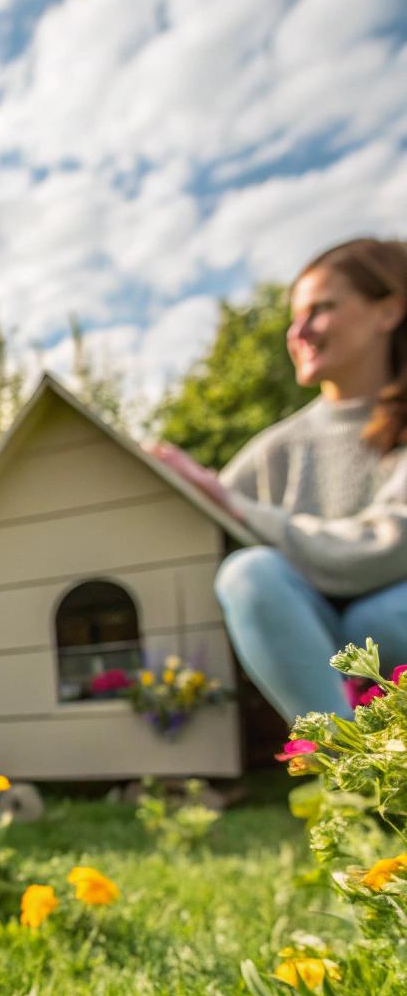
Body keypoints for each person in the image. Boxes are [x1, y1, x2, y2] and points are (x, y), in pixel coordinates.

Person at [147, 237, 407, 724]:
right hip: (327, 648)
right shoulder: (275, 449)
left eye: (320, 309)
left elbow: (389, 546)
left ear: (387, 312)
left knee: (379, 620)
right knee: (249, 573)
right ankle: (345, 768)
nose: (299, 331)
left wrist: (239, 506)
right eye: (295, 317)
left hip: (391, 631)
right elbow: (203, 530)